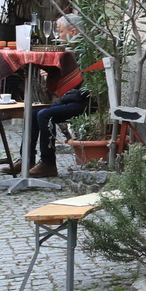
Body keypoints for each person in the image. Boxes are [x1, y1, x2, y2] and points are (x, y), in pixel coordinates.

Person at [23, 14, 93, 178]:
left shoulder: (84, 53)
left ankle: (48, 163)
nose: (58, 35)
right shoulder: (67, 54)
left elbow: (82, 87)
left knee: (44, 114)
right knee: (32, 112)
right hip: (72, 99)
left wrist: (54, 79)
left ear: (73, 32)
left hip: (85, 102)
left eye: (60, 31)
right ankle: (26, 159)